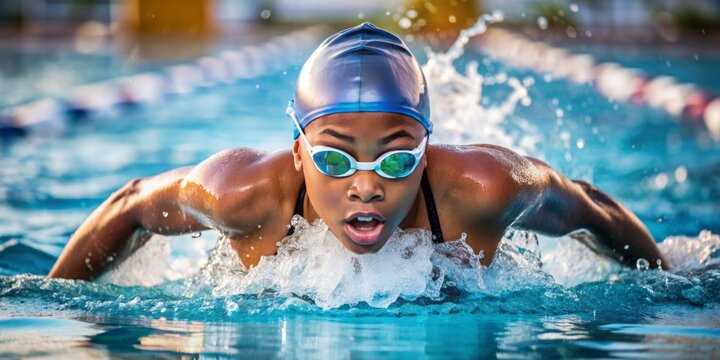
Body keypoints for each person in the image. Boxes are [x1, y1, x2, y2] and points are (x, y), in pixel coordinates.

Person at [49, 23, 668, 280]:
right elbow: (131, 203)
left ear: (425, 155)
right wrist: (58, 314)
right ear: (298, 153)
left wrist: (666, 281)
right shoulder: (243, 195)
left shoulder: (483, 189)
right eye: (336, 160)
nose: (366, 186)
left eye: (396, 160)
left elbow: (589, 206)